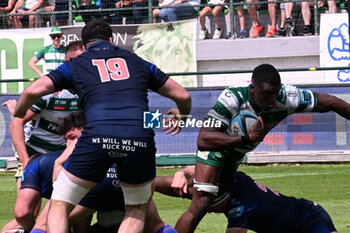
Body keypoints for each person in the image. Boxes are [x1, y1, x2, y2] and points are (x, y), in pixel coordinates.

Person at [12, 20, 191, 233]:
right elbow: (183, 95)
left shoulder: (76, 64)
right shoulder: (137, 61)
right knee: (136, 210)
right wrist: (182, 116)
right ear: (112, 40)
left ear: (86, 45)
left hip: (97, 137)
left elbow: (32, 92)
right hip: (139, 137)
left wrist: (19, 112)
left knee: (60, 203)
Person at [175, 63, 350, 233]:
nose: (271, 100)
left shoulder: (288, 97)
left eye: (275, 94)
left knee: (223, 196)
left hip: (235, 155)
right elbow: (204, 139)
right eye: (265, 94)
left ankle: (157, 184)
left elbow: (330, 102)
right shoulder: (232, 97)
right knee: (203, 201)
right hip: (216, 148)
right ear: (253, 88)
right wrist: (245, 139)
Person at [2, 41, 83, 190]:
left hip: (60, 153)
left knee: (62, 202)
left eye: (59, 36)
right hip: (33, 149)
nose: (57, 39)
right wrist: (26, 160)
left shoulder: (87, 91)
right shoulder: (50, 91)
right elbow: (17, 122)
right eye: (54, 36)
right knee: (24, 211)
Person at [156, 167, 337, 233]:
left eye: (209, 207)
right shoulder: (232, 179)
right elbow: (200, 171)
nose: (208, 210)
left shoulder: (240, 206)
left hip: (308, 217)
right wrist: (182, 173)